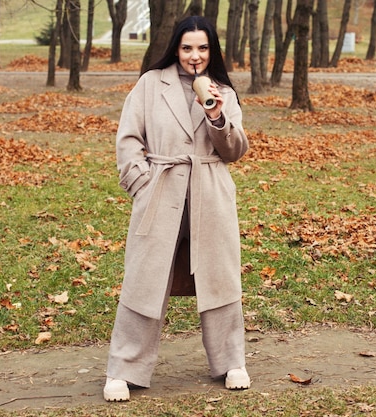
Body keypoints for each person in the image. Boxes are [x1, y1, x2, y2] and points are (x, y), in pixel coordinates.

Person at [103, 15, 251, 402]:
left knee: (220, 278)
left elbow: (235, 151)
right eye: (187, 48)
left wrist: (216, 115)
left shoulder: (223, 93)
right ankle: (124, 368)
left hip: (210, 192)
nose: (195, 56)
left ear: (211, 51)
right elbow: (129, 138)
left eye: (202, 48)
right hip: (161, 190)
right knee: (144, 279)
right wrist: (141, 182)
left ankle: (231, 362)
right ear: (176, 49)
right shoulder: (151, 84)